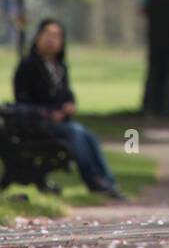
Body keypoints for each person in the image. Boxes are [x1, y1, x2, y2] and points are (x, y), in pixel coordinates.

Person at [13, 18, 128, 199]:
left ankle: (107, 181)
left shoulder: (60, 68)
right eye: (47, 34)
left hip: (59, 124)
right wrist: (49, 114)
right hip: (37, 125)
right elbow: (22, 101)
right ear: (38, 38)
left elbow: (66, 94)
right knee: (76, 132)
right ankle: (94, 179)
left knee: (88, 135)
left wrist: (69, 105)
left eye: (56, 36)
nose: (51, 40)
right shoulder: (27, 66)